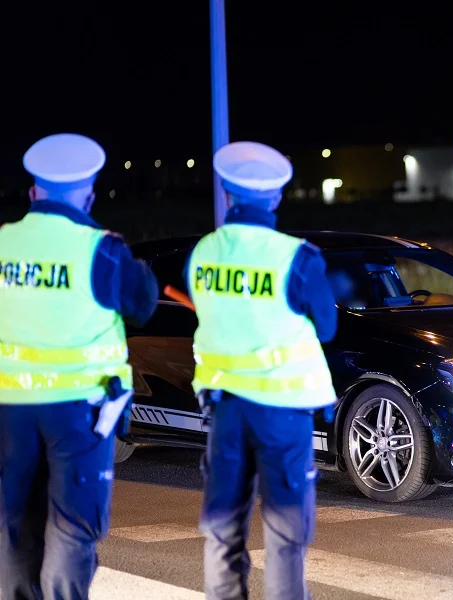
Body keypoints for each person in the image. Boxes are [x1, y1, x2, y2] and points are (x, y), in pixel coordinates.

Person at [0, 133, 159, 599]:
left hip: (11, 409)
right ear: (88, 195)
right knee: (72, 526)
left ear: (33, 193)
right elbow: (143, 302)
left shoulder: (4, 244)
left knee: (14, 526)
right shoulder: (101, 251)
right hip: (80, 414)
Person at [184, 141, 338, 600]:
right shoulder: (297, 256)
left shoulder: (203, 252)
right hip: (282, 412)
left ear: (228, 195)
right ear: (274, 197)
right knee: (286, 532)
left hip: (226, 409)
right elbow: (327, 326)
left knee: (223, 526)